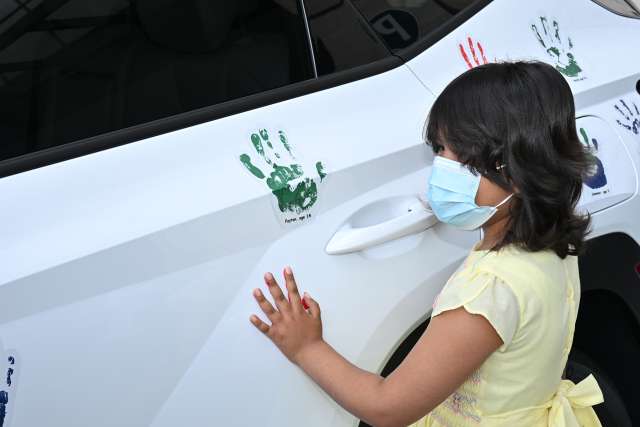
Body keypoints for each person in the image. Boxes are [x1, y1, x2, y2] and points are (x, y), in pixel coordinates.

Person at [248, 60, 605, 426]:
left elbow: (388, 406)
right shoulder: (553, 251)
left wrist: (307, 347)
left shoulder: (489, 291)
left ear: (511, 169)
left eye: (453, 155)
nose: (440, 169)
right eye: (438, 150)